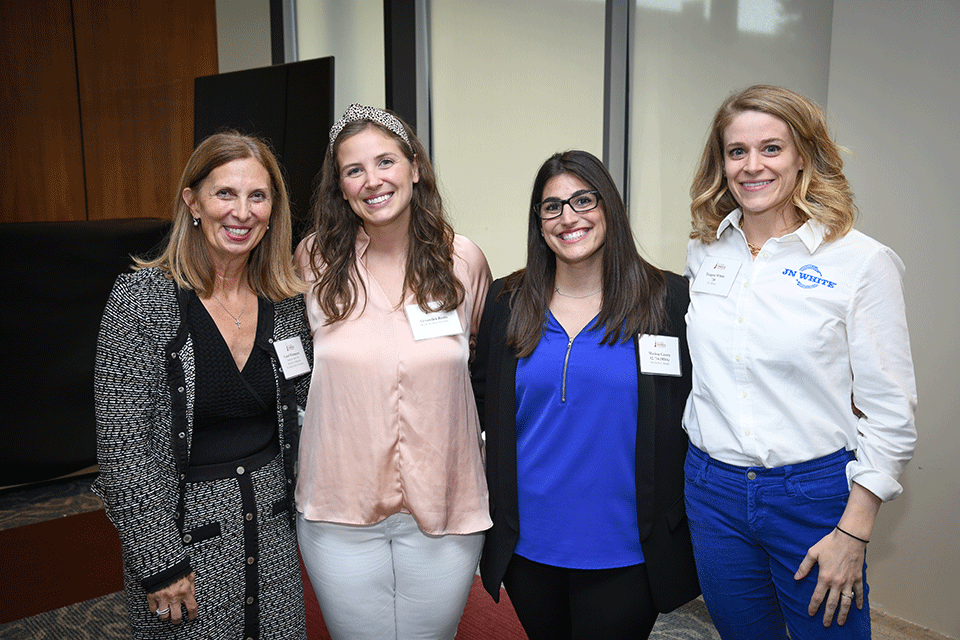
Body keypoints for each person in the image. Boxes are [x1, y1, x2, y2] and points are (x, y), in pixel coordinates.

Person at [683, 84, 917, 639]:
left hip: (811, 497)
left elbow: (891, 412)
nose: (751, 166)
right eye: (736, 151)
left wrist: (854, 533)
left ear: (804, 156)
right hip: (711, 490)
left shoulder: (861, 262)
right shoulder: (706, 251)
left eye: (772, 148)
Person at [472, 150, 701, 640]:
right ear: (539, 222)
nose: (568, 217)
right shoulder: (507, 302)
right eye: (552, 206)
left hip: (627, 546)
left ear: (609, 208)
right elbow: (479, 392)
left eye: (583, 200)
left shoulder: (668, 301)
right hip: (528, 544)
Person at [93, 132, 313, 639]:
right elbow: (123, 444)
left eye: (257, 196)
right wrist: (158, 559)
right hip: (183, 539)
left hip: (273, 533)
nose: (242, 212)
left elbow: (309, 403)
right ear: (192, 202)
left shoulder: (283, 303)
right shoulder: (142, 300)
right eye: (225, 194)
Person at [294, 104, 492, 640]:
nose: (372, 180)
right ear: (340, 186)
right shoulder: (312, 262)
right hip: (339, 507)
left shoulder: (463, 260)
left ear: (414, 168)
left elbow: (480, 367)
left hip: (445, 510)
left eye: (385, 162)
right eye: (353, 170)